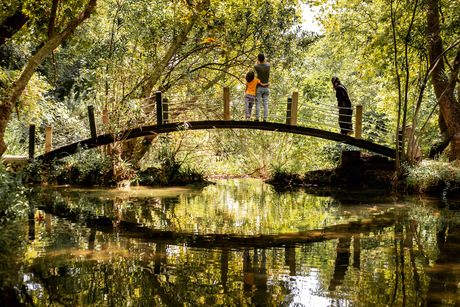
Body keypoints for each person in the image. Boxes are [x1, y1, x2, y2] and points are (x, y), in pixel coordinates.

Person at [254, 53, 271, 122]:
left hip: (259, 87)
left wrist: (257, 59)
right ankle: (265, 119)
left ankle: (257, 118)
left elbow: (255, 64)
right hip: (266, 87)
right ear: (264, 58)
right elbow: (265, 63)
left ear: (258, 59)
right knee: (265, 103)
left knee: (258, 103)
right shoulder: (268, 65)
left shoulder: (257, 67)